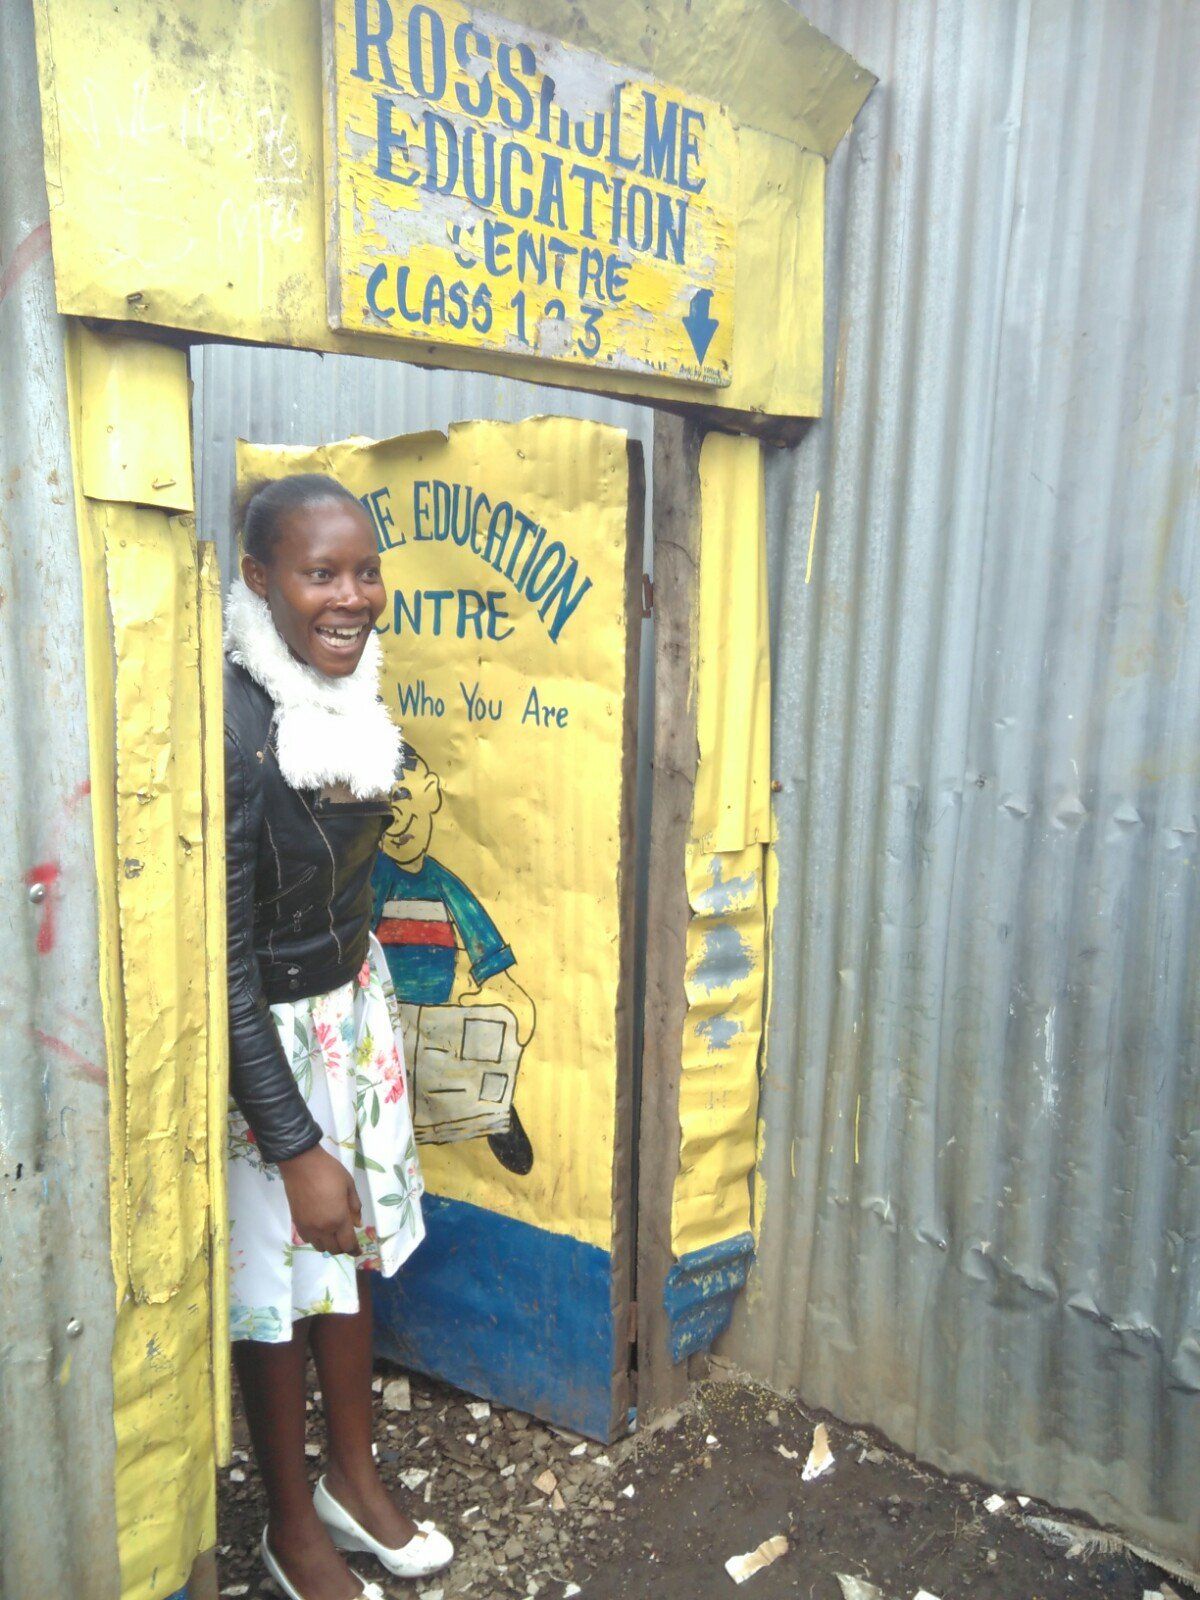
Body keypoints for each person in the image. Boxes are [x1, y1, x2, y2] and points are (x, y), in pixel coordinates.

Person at [223, 473, 453, 1600]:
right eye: (321, 573)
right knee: (277, 1277)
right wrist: (293, 1136)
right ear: (260, 579)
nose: (353, 595)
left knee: (349, 1252)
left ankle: (351, 1480)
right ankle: (285, 1523)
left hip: (343, 1013)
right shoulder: (237, 725)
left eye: (366, 569)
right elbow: (218, 956)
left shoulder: (350, 690)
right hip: (262, 1042)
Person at [371, 747, 538, 1173]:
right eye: (386, 804)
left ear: (430, 796)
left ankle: (495, 1114)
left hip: (441, 1021)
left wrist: (509, 995)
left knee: (476, 1042)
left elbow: (482, 942)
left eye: (405, 799)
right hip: (389, 1016)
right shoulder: (377, 877)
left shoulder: (445, 885)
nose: (397, 818)